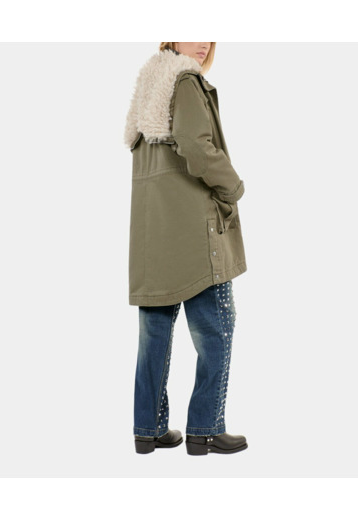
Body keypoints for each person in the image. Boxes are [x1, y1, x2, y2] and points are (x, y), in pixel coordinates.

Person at [124, 42, 248, 455]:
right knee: (216, 327)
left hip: (153, 233)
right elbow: (195, 145)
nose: (203, 43)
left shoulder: (149, 84)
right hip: (194, 232)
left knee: (154, 332)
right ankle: (206, 429)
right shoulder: (186, 81)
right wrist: (232, 186)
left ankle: (148, 429)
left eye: (209, 34)